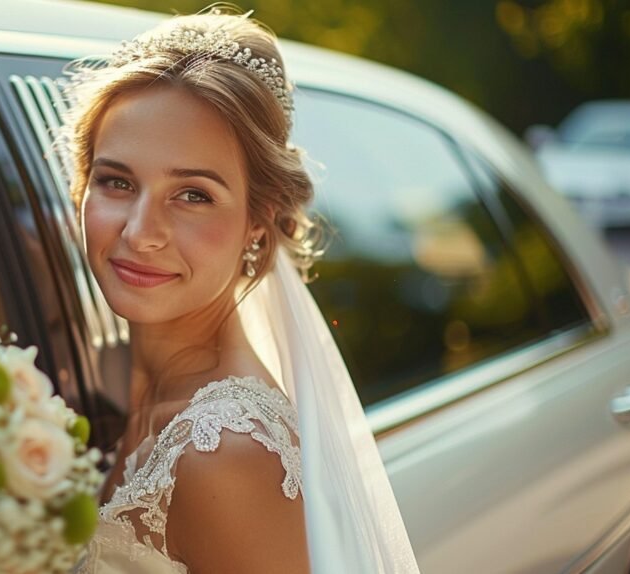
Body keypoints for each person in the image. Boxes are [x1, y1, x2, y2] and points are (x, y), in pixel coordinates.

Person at [63, 9, 420, 573]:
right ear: (82, 187)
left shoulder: (226, 453)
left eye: (193, 195)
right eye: (118, 182)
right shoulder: (80, 374)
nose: (139, 232)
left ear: (258, 221)